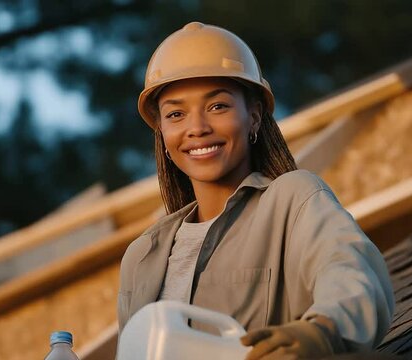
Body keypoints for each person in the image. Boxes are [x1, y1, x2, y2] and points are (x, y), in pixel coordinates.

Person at [117, 22, 394, 359]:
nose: (197, 128)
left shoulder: (292, 200)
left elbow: (348, 272)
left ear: (255, 116)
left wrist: (323, 330)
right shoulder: (140, 257)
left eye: (218, 106)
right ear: (161, 133)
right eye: (176, 114)